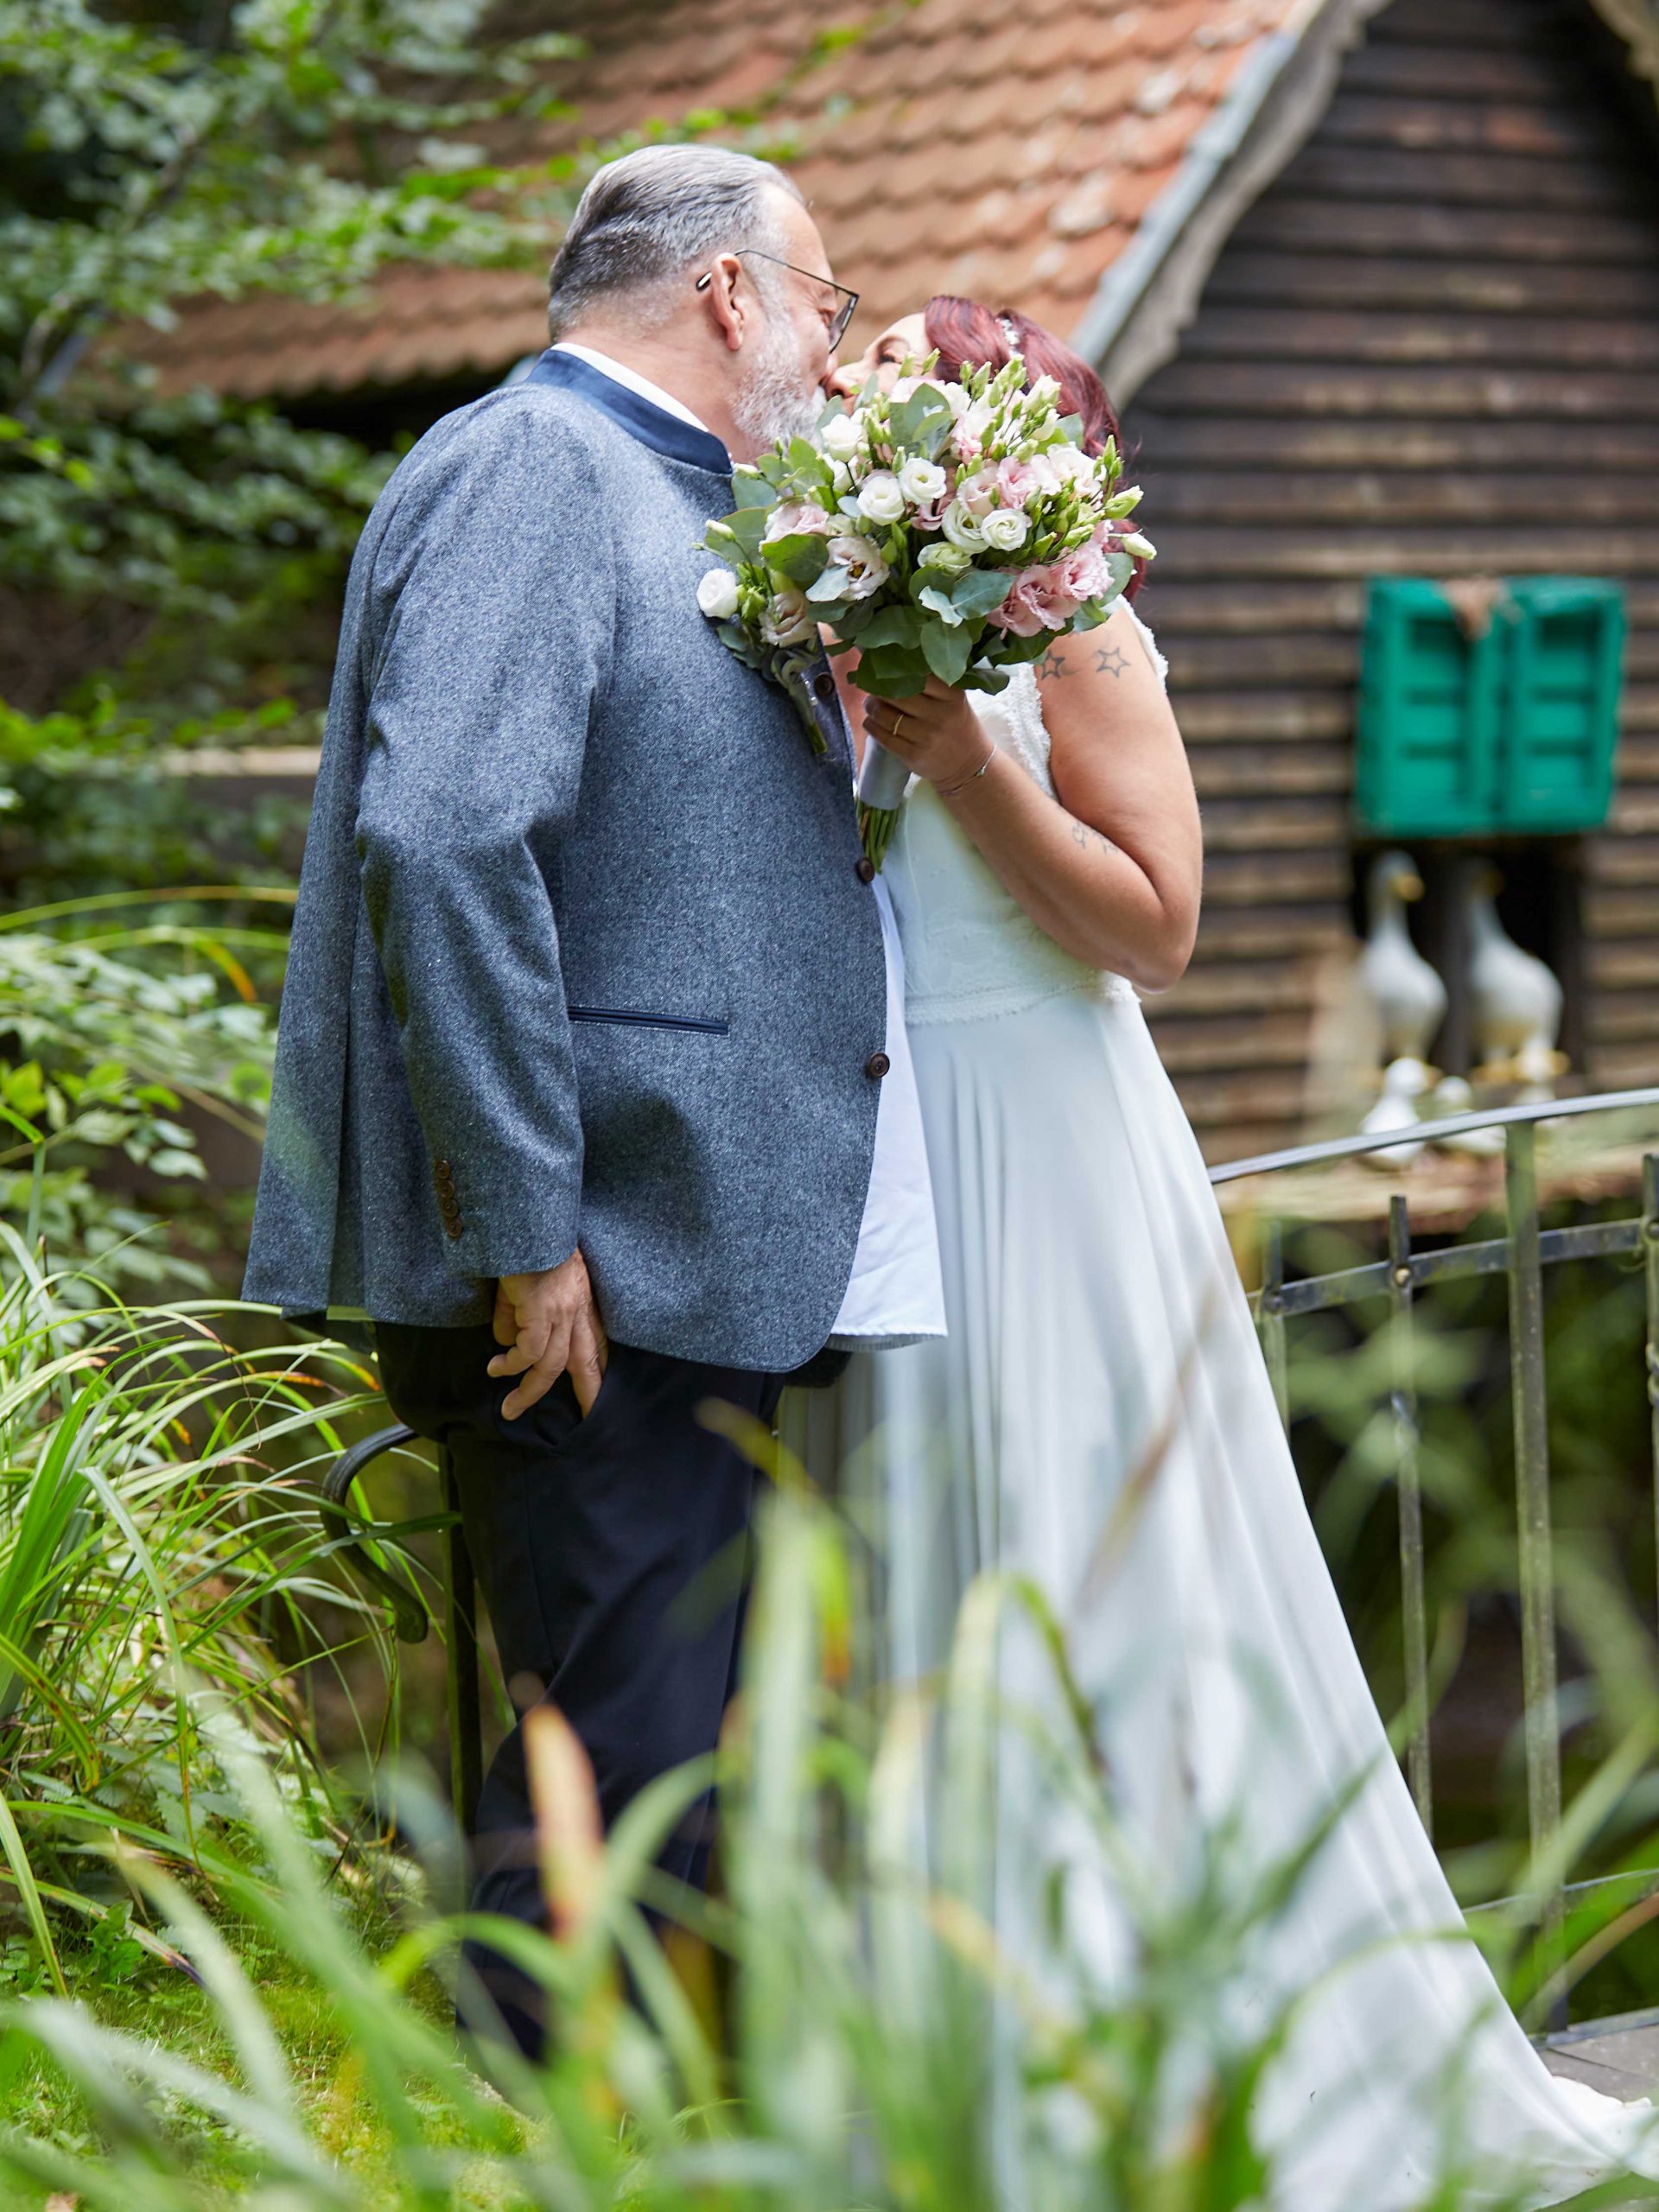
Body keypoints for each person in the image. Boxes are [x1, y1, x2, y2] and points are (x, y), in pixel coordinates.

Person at [791, 295, 1659, 2209]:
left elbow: (1161, 925)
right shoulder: (818, 619)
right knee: (933, 1590)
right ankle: (957, 2086)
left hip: (1057, 1144)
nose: (843, 395)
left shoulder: (1072, 621)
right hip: (892, 1155)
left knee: (1106, 1580)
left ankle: (1170, 2075)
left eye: (885, 382)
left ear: (986, 446)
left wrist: (970, 761)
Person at [243, 145, 944, 2056]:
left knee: (648, 1786)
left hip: (675, 1253)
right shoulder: (537, 467)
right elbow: (448, 836)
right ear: (725, 293)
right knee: (609, 1809)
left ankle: (583, 2142)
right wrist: (529, 1225)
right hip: (587, 1269)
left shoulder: (665, 486)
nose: (835, 343)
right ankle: (507, 2149)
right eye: (824, 297)